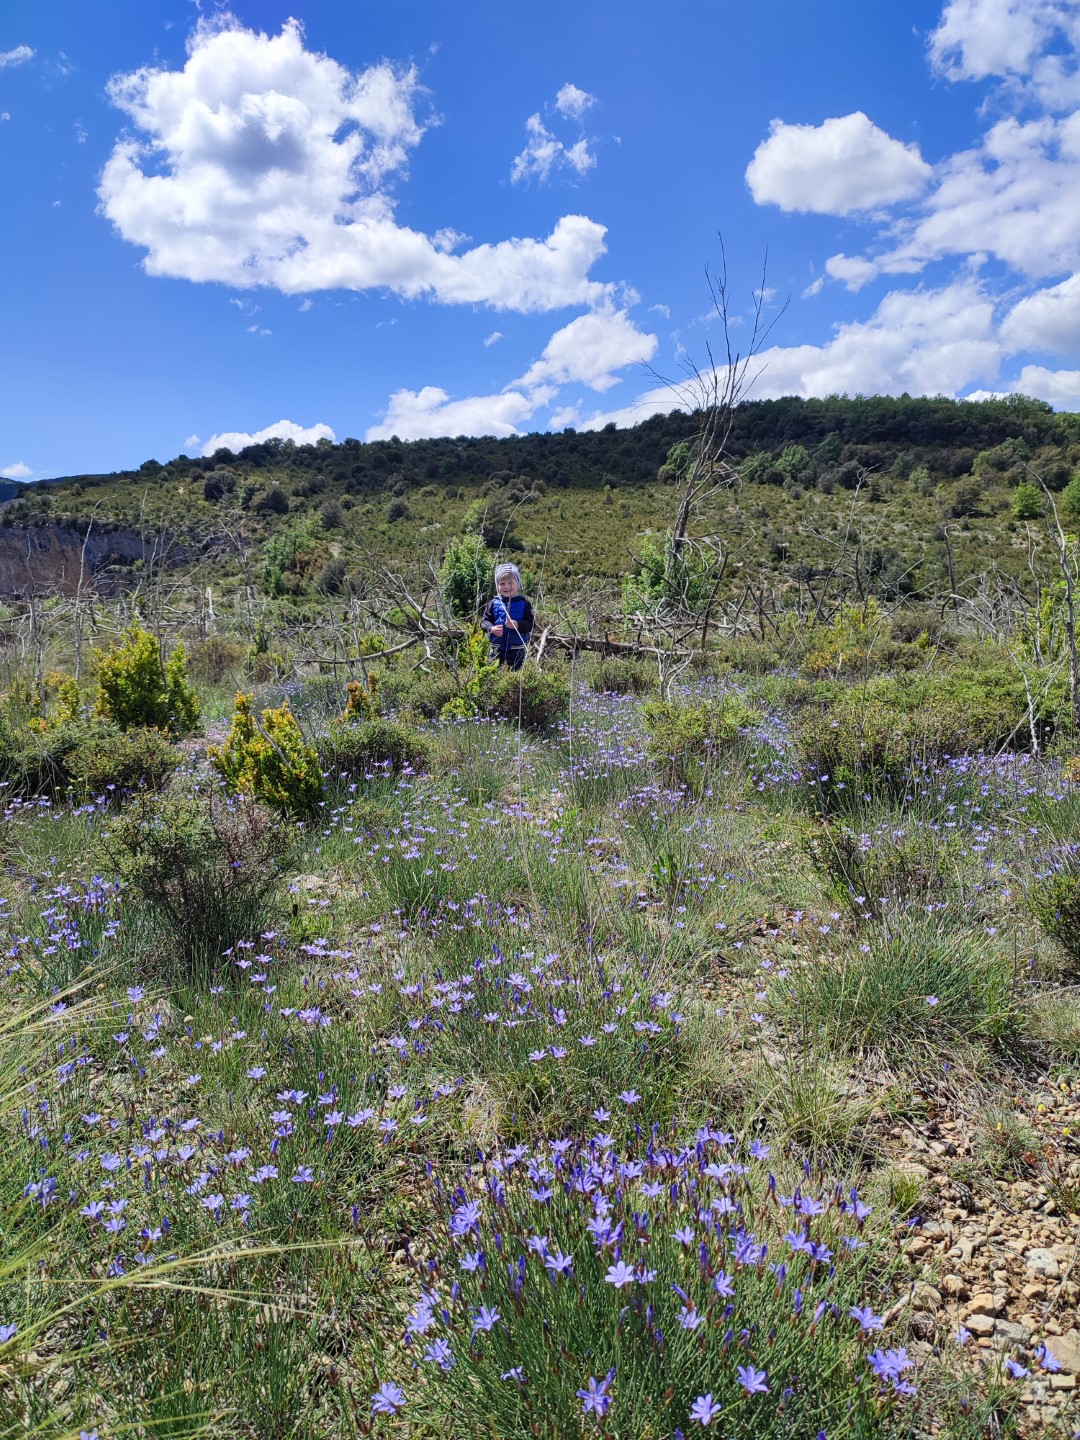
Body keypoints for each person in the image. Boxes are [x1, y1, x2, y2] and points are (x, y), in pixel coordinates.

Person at [479, 563, 534, 670]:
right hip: (496, 649)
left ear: (518, 584)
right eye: (502, 583)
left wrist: (518, 625)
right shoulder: (493, 602)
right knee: (492, 675)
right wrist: (491, 628)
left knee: (515, 678)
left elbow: (531, 624)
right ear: (497, 586)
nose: (507, 586)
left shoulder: (524, 603)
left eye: (510, 582)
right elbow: (484, 622)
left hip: (517, 650)